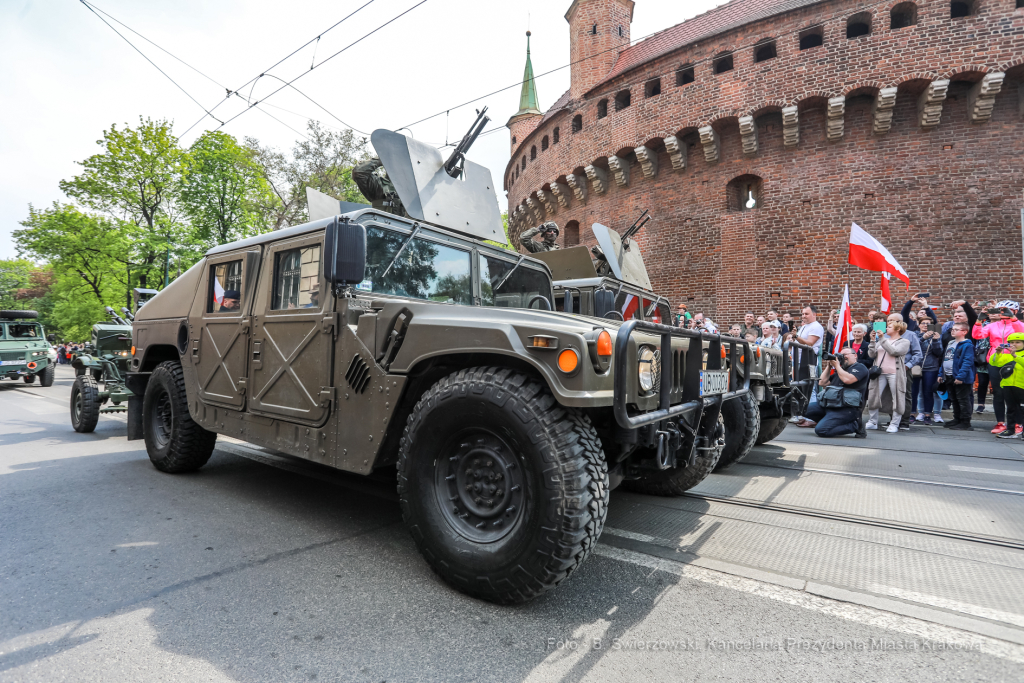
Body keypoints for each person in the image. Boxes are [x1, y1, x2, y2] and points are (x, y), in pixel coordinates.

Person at [973, 302, 1024, 435]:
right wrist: (979, 320)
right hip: (997, 359)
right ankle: (1000, 422)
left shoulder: (1017, 324)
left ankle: (1018, 423)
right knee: (998, 393)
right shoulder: (993, 325)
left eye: (1005, 310)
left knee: (1016, 393)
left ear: (1014, 310)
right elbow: (977, 335)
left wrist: (1012, 318)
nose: (1002, 312)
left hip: (1014, 359)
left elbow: (1021, 331)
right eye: (1000, 310)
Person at [794, 347, 868, 438]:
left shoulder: (860, 367)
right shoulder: (840, 371)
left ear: (855, 356)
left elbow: (847, 380)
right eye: (841, 355)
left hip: (846, 409)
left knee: (821, 430)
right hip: (830, 406)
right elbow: (822, 382)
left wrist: (837, 366)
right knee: (802, 408)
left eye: (845, 355)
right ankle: (828, 422)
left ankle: (855, 425)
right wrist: (829, 366)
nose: (843, 357)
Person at [867, 319, 910, 433]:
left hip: (895, 374)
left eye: (889, 327)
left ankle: (894, 424)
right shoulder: (882, 340)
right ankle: (872, 422)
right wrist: (872, 341)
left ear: (898, 329)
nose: (886, 329)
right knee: (874, 396)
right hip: (879, 373)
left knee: (897, 398)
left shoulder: (904, 341)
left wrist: (881, 339)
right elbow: (871, 354)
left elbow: (894, 352)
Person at [937, 322, 976, 431]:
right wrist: (941, 374)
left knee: (963, 400)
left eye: (956, 329)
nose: (953, 331)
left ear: (964, 332)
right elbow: (945, 359)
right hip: (949, 375)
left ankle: (965, 422)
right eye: (952, 329)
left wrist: (960, 377)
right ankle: (957, 419)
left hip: (960, 377)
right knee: (954, 399)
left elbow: (967, 362)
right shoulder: (951, 343)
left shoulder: (967, 345)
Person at [990, 332, 1024, 439]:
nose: (1014, 344)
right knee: (1010, 409)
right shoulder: (1007, 356)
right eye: (1011, 342)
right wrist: (997, 353)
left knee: (1022, 409)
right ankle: (1010, 430)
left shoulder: (1015, 355)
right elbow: (994, 362)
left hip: (1021, 386)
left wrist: (1015, 356)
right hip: (1008, 386)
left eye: (1018, 342)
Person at [913, 318, 943, 424]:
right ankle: (915, 413)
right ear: (919, 325)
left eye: (928, 324)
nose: (925, 325)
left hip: (931, 367)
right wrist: (922, 338)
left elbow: (939, 353)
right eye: (923, 323)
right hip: (916, 367)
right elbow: (912, 348)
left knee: (928, 391)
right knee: (915, 392)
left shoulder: (936, 336)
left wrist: (935, 340)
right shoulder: (914, 335)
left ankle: (927, 415)